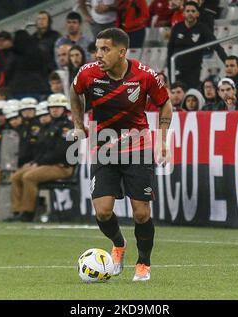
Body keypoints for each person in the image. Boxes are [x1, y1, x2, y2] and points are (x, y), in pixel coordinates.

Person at [70, 28, 172, 281]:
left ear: (122, 52)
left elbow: (165, 103)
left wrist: (162, 138)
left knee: (141, 213)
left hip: (137, 149)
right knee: (103, 211)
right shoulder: (88, 73)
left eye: (105, 49)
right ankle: (118, 244)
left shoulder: (146, 76)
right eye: (96, 49)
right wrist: (77, 123)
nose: (98, 55)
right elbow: (74, 92)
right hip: (104, 150)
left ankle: (143, 264)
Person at [10, 93, 75, 222]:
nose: (54, 110)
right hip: (45, 164)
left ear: (64, 109)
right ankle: (17, 210)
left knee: (29, 177)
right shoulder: (48, 126)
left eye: (58, 107)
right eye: (52, 107)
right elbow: (40, 149)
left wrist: (39, 163)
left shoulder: (68, 127)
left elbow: (61, 151)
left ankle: (28, 212)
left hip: (62, 166)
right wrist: (35, 162)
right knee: (15, 177)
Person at [167, 2, 226, 89]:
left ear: (197, 14)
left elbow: (216, 45)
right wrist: (169, 73)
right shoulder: (177, 28)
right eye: (187, 11)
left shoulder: (202, 28)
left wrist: (227, 61)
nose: (190, 13)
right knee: (177, 95)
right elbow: (169, 52)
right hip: (177, 69)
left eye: (193, 11)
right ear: (183, 13)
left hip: (193, 71)